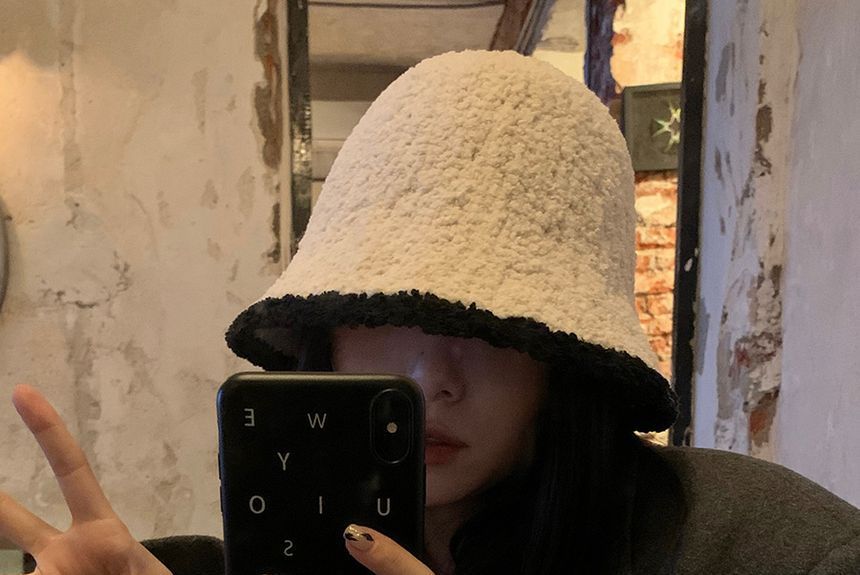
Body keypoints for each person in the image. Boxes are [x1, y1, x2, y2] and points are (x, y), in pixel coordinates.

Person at [1, 50, 859, 575]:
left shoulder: (764, 548)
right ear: (326, 333)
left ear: (565, 362)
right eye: (382, 310)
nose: (429, 376)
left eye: (493, 331)